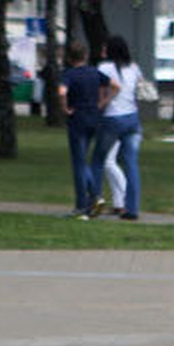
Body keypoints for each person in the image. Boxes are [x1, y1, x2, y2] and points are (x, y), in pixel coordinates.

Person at [91, 35, 145, 220]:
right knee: (130, 163)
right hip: (132, 117)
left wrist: (99, 105)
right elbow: (139, 86)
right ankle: (132, 208)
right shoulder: (134, 67)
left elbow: (102, 91)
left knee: (98, 160)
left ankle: (95, 202)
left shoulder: (105, 68)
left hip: (112, 118)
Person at [57, 42, 111, 219]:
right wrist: (102, 102)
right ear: (85, 56)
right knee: (83, 160)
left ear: (69, 57)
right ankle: (92, 200)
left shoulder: (69, 74)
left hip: (77, 118)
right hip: (94, 118)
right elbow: (115, 86)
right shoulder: (95, 72)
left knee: (79, 162)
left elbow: (61, 91)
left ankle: (87, 201)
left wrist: (65, 108)